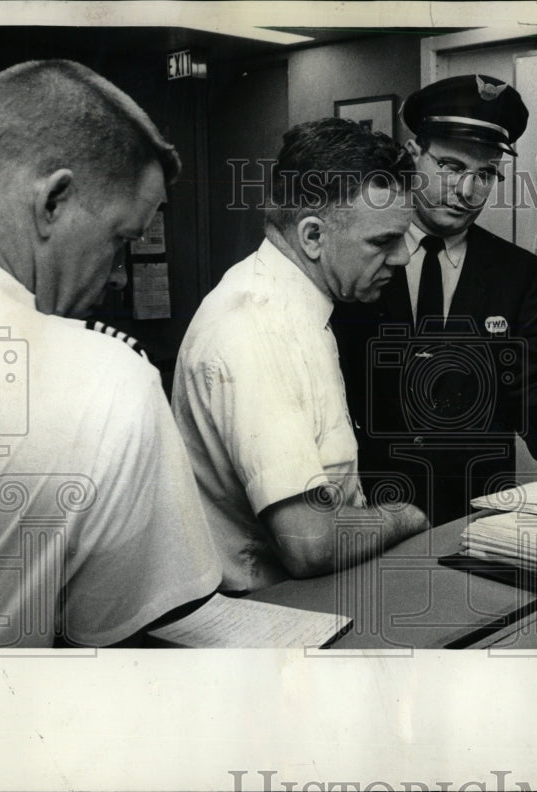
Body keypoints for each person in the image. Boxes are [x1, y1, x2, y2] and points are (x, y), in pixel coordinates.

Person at [0, 59, 222, 648]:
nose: (121, 279)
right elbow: (125, 640)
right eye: (121, 242)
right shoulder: (105, 378)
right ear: (53, 201)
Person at [332, 74, 537, 529]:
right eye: (450, 167)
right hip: (373, 511)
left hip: (480, 510)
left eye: (484, 175)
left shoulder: (517, 272)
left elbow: (534, 378)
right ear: (413, 155)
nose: (467, 192)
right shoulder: (362, 256)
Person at [172, 118, 429, 592]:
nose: (402, 259)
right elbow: (307, 540)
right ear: (312, 236)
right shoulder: (255, 329)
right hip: (263, 621)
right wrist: (404, 516)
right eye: (383, 241)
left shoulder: (298, 309)